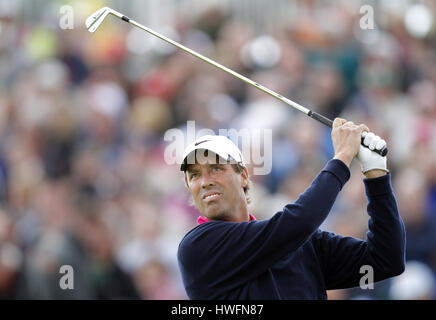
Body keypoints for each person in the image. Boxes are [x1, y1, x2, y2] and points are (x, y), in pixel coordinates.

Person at [177, 118, 406, 299]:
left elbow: (385, 260)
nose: (204, 181)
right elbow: (299, 222)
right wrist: (343, 156)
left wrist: (376, 175)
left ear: (244, 176)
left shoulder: (302, 245)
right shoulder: (198, 245)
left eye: (216, 169)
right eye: (194, 175)